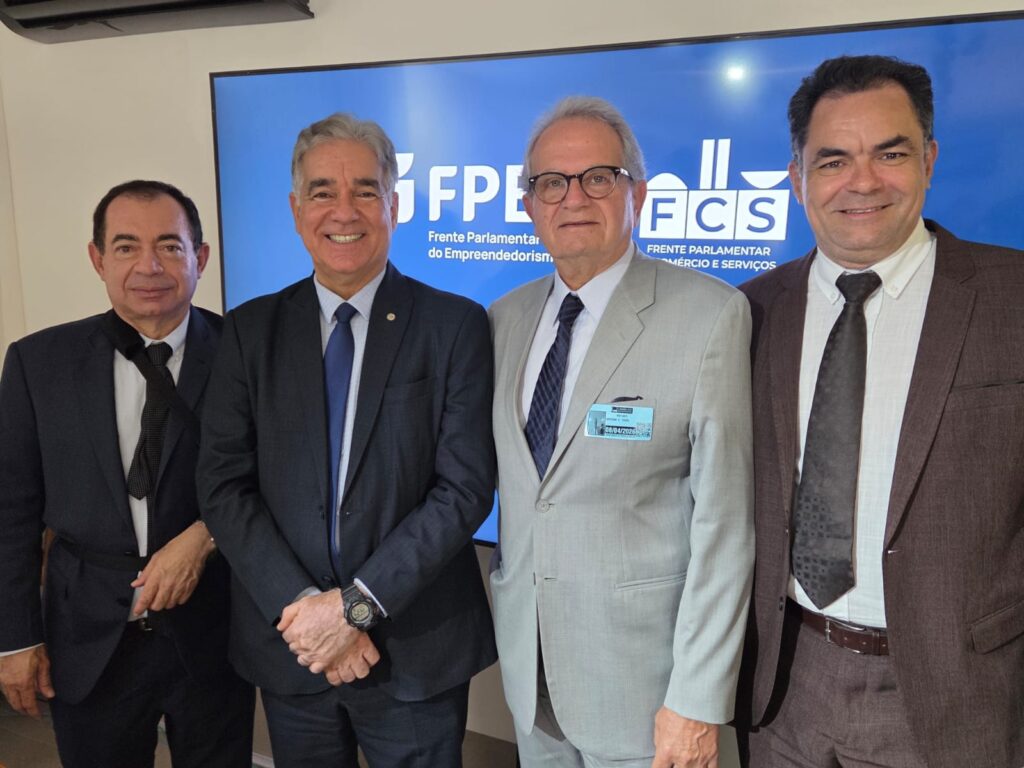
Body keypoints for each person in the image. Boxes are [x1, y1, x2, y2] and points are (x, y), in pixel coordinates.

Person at [736, 55, 1024, 768]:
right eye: (833, 160)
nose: (862, 181)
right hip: (784, 683)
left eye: (889, 154)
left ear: (928, 160)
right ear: (798, 178)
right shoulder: (751, 311)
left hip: (960, 691)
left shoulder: (1012, 298)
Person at [197, 112, 497, 768]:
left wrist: (356, 608)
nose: (344, 211)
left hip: (414, 652)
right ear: (295, 209)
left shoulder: (454, 325)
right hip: (294, 645)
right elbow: (223, 485)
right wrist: (310, 611)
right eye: (322, 191)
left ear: (395, 205)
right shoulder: (250, 331)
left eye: (365, 190)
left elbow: (465, 488)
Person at [489, 95, 755, 768]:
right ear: (528, 204)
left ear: (636, 191)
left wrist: (697, 699)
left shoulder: (710, 314)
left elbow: (725, 527)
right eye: (552, 182)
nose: (573, 198)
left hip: (647, 696)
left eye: (597, 177)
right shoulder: (502, 320)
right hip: (530, 679)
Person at [0, 179, 254, 767]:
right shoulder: (39, 363)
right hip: (87, 636)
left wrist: (205, 535)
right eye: (125, 246)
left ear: (200, 258)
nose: (149, 266)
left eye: (169, 245)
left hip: (214, 631)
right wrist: (16, 638)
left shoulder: (245, 353)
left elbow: (272, 477)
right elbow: (11, 512)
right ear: (97, 259)